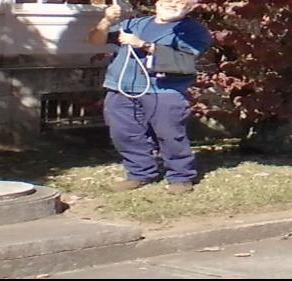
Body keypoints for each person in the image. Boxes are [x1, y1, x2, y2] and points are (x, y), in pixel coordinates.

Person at [87, 1, 212, 195]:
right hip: (121, 87)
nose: (172, 4)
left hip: (164, 90)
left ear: (189, 7)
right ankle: (139, 173)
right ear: (157, 2)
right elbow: (95, 41)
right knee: (124, 134)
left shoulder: (193, 31)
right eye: (168, 0)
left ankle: (180, 176)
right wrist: (106, 21)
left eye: (180, 2)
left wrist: (143, 44)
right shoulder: (134, 24)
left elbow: (186, 58)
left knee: (170, 135)